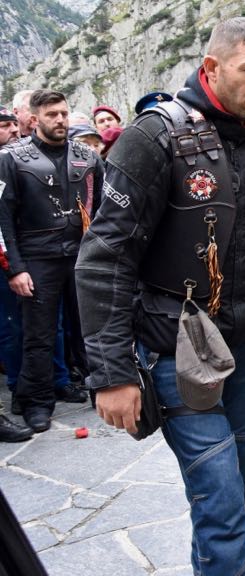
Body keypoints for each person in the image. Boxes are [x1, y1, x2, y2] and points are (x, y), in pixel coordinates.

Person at [75, 18, 245, 574]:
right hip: (175, 344)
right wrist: (112, 374)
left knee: (229, 485)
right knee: (222, 496)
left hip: (244, 341)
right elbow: (105, 258)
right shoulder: (153, 137)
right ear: (211, 68)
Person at [0, 90, 100, 433]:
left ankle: (102, 387)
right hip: (37, 258)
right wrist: (15, 268)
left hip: (82, 256)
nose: (60, 120)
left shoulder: (87, 157)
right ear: (34, 119)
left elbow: (104, 211)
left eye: (63, 113)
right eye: (52, 114)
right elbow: (3, 219)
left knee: (91, 328)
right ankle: (37, 402)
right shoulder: (11, 159)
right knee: (38, 335)